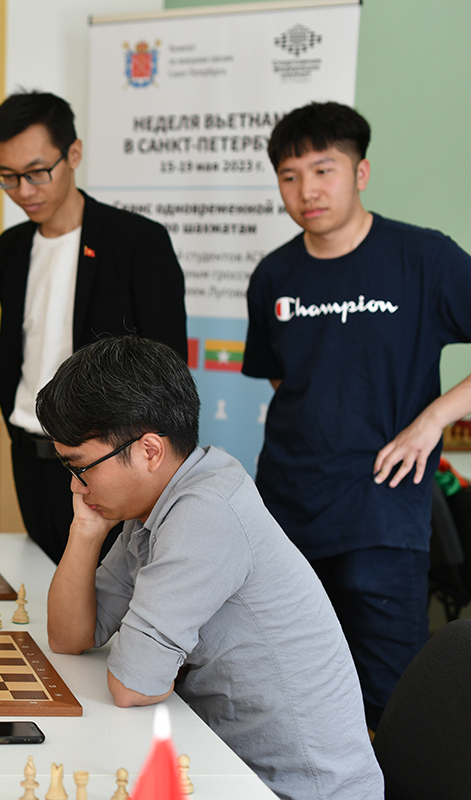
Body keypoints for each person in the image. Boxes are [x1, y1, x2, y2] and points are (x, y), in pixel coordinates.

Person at [39, 336, 382, 800]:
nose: (77, 486)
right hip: (227, 760)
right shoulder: (158, 500)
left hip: (296, 789)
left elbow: (133, 684)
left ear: (149, 451)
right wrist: (85, 529)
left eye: (80, 467)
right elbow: (70, 635)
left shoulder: (205, 512)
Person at [242, 101, 471, 730]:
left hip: (382, 511)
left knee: (390, 697)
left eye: (324, 170)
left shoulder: (424, 259)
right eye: (290, 176)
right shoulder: (273, 276)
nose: (307, 190)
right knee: (286, 685)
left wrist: (432, 421)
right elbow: (288, 376)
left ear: (360, 172)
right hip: (287, 506)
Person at [0, 90, 188, 563]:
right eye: (8, 177)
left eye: (37, 172)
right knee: (48, 585)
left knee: (110, 602)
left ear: (73, 154)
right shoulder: (8, 250)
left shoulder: (137, 243)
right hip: (29, 449)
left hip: (108, 462)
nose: (24, 190)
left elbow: (167, 368)